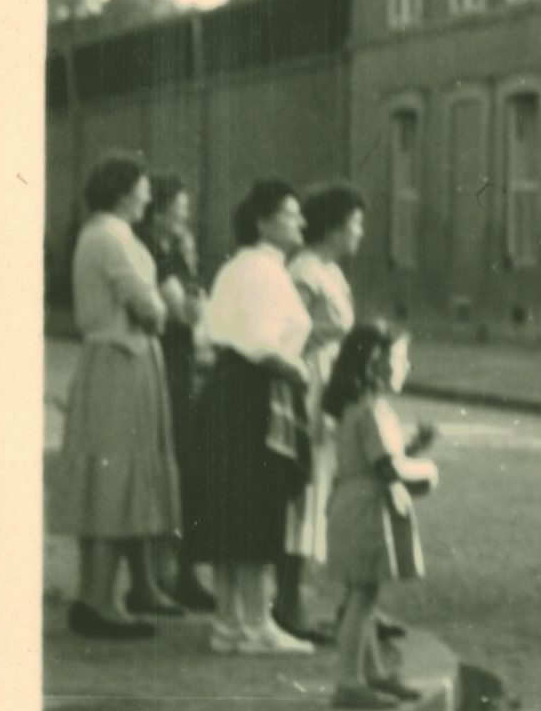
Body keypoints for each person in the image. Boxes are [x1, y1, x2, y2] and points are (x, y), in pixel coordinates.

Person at [47, 153, 183, 640]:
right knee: (115, 473)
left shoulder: (101, 233)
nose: (148, 194)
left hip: (116, 360)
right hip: (122, 360)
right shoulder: (111, 236)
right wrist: (160, 313)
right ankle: (99, 601)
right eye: (143, 187)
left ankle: (111, 593)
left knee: (118, 474)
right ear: (124, 190)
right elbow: (149, 306)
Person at [185, 180, 317, 656]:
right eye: (290, 213)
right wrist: (298, 370)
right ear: (263, 220)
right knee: (256, 503)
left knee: (231, 506)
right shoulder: (262, 271)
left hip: (228, 390)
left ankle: (230, 623)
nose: (299, 222)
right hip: (253, 393)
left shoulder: (240, 267)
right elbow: (262, 344)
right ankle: (256, 624)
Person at [319, 321, 440, 711]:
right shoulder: (371, 410)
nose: (405, 366)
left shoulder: (361, 407)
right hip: (365, 509)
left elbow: (377, 454)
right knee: (362, 596)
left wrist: (411, 446)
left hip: (352, 504)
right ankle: (348, 681)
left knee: (364, 593)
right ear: (375, 364)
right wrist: (428, 473)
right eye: (399, 358)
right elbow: (386, 468)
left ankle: (370, 673)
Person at [282, 184, 368, 646]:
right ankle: (288, 603)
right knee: (308, 490)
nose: (360, 233)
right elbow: (290, 333)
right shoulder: (304, 271)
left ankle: (351, 606)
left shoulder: (330, 271)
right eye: (354, 223)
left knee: (333, 489)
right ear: (334, 227)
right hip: (312, 384)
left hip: (333, 381)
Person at [133, 173, 212, 613]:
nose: (183, 219)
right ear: (159, 211)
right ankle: (163, 575)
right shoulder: (153, 252)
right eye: (177, 211)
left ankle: (181, 572)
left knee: (185, 466)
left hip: (180, 365)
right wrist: (194, 303)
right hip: (165, 365)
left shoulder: (174, 252)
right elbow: (185, 312)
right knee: (168, 466)